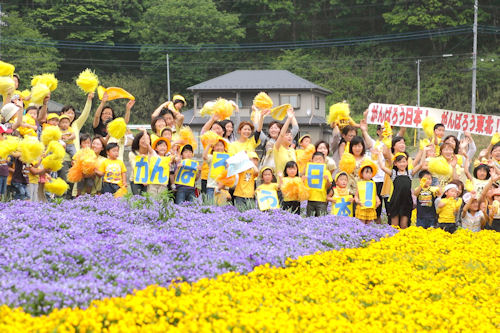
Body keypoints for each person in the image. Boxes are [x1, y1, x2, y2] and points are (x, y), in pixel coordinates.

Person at [378, 152, 422, 229]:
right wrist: (378, 154)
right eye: (399, 162)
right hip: (395, 202)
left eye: (404, 161)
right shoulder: (394, 174)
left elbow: (421, 164)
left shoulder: (410, 173)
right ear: (395, 164)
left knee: (404, 226)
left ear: (407, 162)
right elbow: (382, 167)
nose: (402, 164)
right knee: (394, 226)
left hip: (406, 202)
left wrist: (424, 150)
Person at [306, 152, 332, 217]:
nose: (318, 161)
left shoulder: (326, 172)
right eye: (316, 159)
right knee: (309, 219)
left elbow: (328, 186)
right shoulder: (309, 171)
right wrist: (304, 179)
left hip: (321, 200)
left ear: (324, 161)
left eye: (320, 159)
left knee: (321, 218)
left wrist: (328, 180)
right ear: (312, 161)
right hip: (310, 199)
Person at [128, 131, 154, 195]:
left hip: (149, 181)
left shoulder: (151, 153)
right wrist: (141, 160)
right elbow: (134, 167)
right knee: (138, 200)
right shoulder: (132, 153)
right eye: (143, 139)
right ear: (138, 140)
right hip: (136, 180)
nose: (145, 141)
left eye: (147, 139)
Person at [354, 159, 380, 224]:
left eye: (370, 173)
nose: (369, 174)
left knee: (369, 223)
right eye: (366, 172)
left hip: (370, 207)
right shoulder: (359, 183)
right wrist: (357, 201)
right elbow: (356, 196)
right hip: (362, 207)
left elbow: (375, 194)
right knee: (362, 223)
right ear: (362, 173)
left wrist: (378, 200)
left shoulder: (373, 183)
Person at [273, 107, 296, 178]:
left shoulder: (292, 150)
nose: (290, 137)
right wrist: (289, 119)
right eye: (287, 135)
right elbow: (281, 134)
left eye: (290, 135)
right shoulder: (277, 148)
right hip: (281, 184)